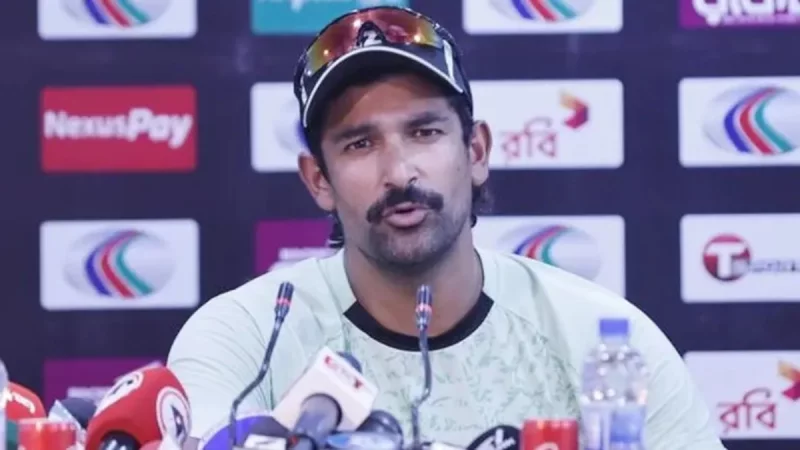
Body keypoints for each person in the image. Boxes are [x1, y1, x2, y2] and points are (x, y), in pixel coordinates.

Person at [168, 6, 726, 449]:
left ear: (476, 151)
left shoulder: (601, 341)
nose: (398, 172)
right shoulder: (243, 336)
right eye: (360, 144)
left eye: (425, 132)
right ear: (319, 180)